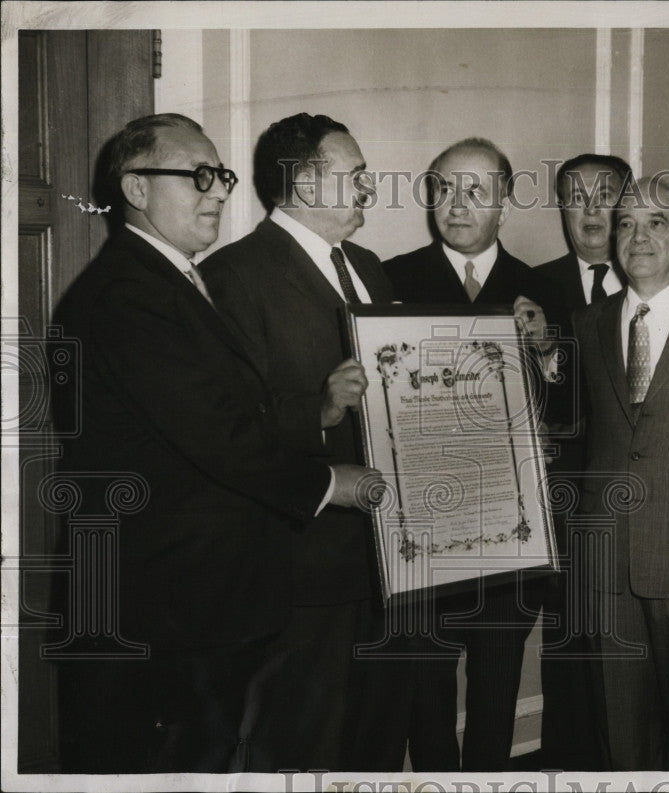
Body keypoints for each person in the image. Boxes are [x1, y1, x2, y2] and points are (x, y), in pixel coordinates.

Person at [52, 113, 381, 773]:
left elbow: (235, 411)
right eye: (197, 175)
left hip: (194, 597)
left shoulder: (172, 279)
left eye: (221, 175)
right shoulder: (127, 295)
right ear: (136, 189)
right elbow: (216, 433)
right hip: (159, 605)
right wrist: (326, 482)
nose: (219, 190)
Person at [199, 112, 394, 771]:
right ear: (305, 186)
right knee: (302, 747)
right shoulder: (232, 276)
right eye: (356, 175)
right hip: (301, 569)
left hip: (385, 560)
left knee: (369, 741)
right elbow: (221, 429)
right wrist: (318, 407)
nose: (369, 188)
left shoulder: (367, 267)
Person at [370, 138, 556, 771]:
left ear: (504, 201)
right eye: (444, 188)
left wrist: (550, 352)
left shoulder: (544, 289)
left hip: (509, 533)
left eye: (477, 190)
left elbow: (579, 412)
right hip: (422, 531)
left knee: (498, 688)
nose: (457, 204)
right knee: (425, 687)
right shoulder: (388, 279)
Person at [573, 175, 669, 770]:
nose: (638, 236)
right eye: (626, 224)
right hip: (606, 555)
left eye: (657, 222)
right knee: (621, 728)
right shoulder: (589, 322)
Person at [533, 153, 631, 769]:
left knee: (636, 650)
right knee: (569, 646)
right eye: (576, 196)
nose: (591, 209)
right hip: (562, 511)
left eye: (605, 195)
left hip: (642, 504)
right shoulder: (531, 287)